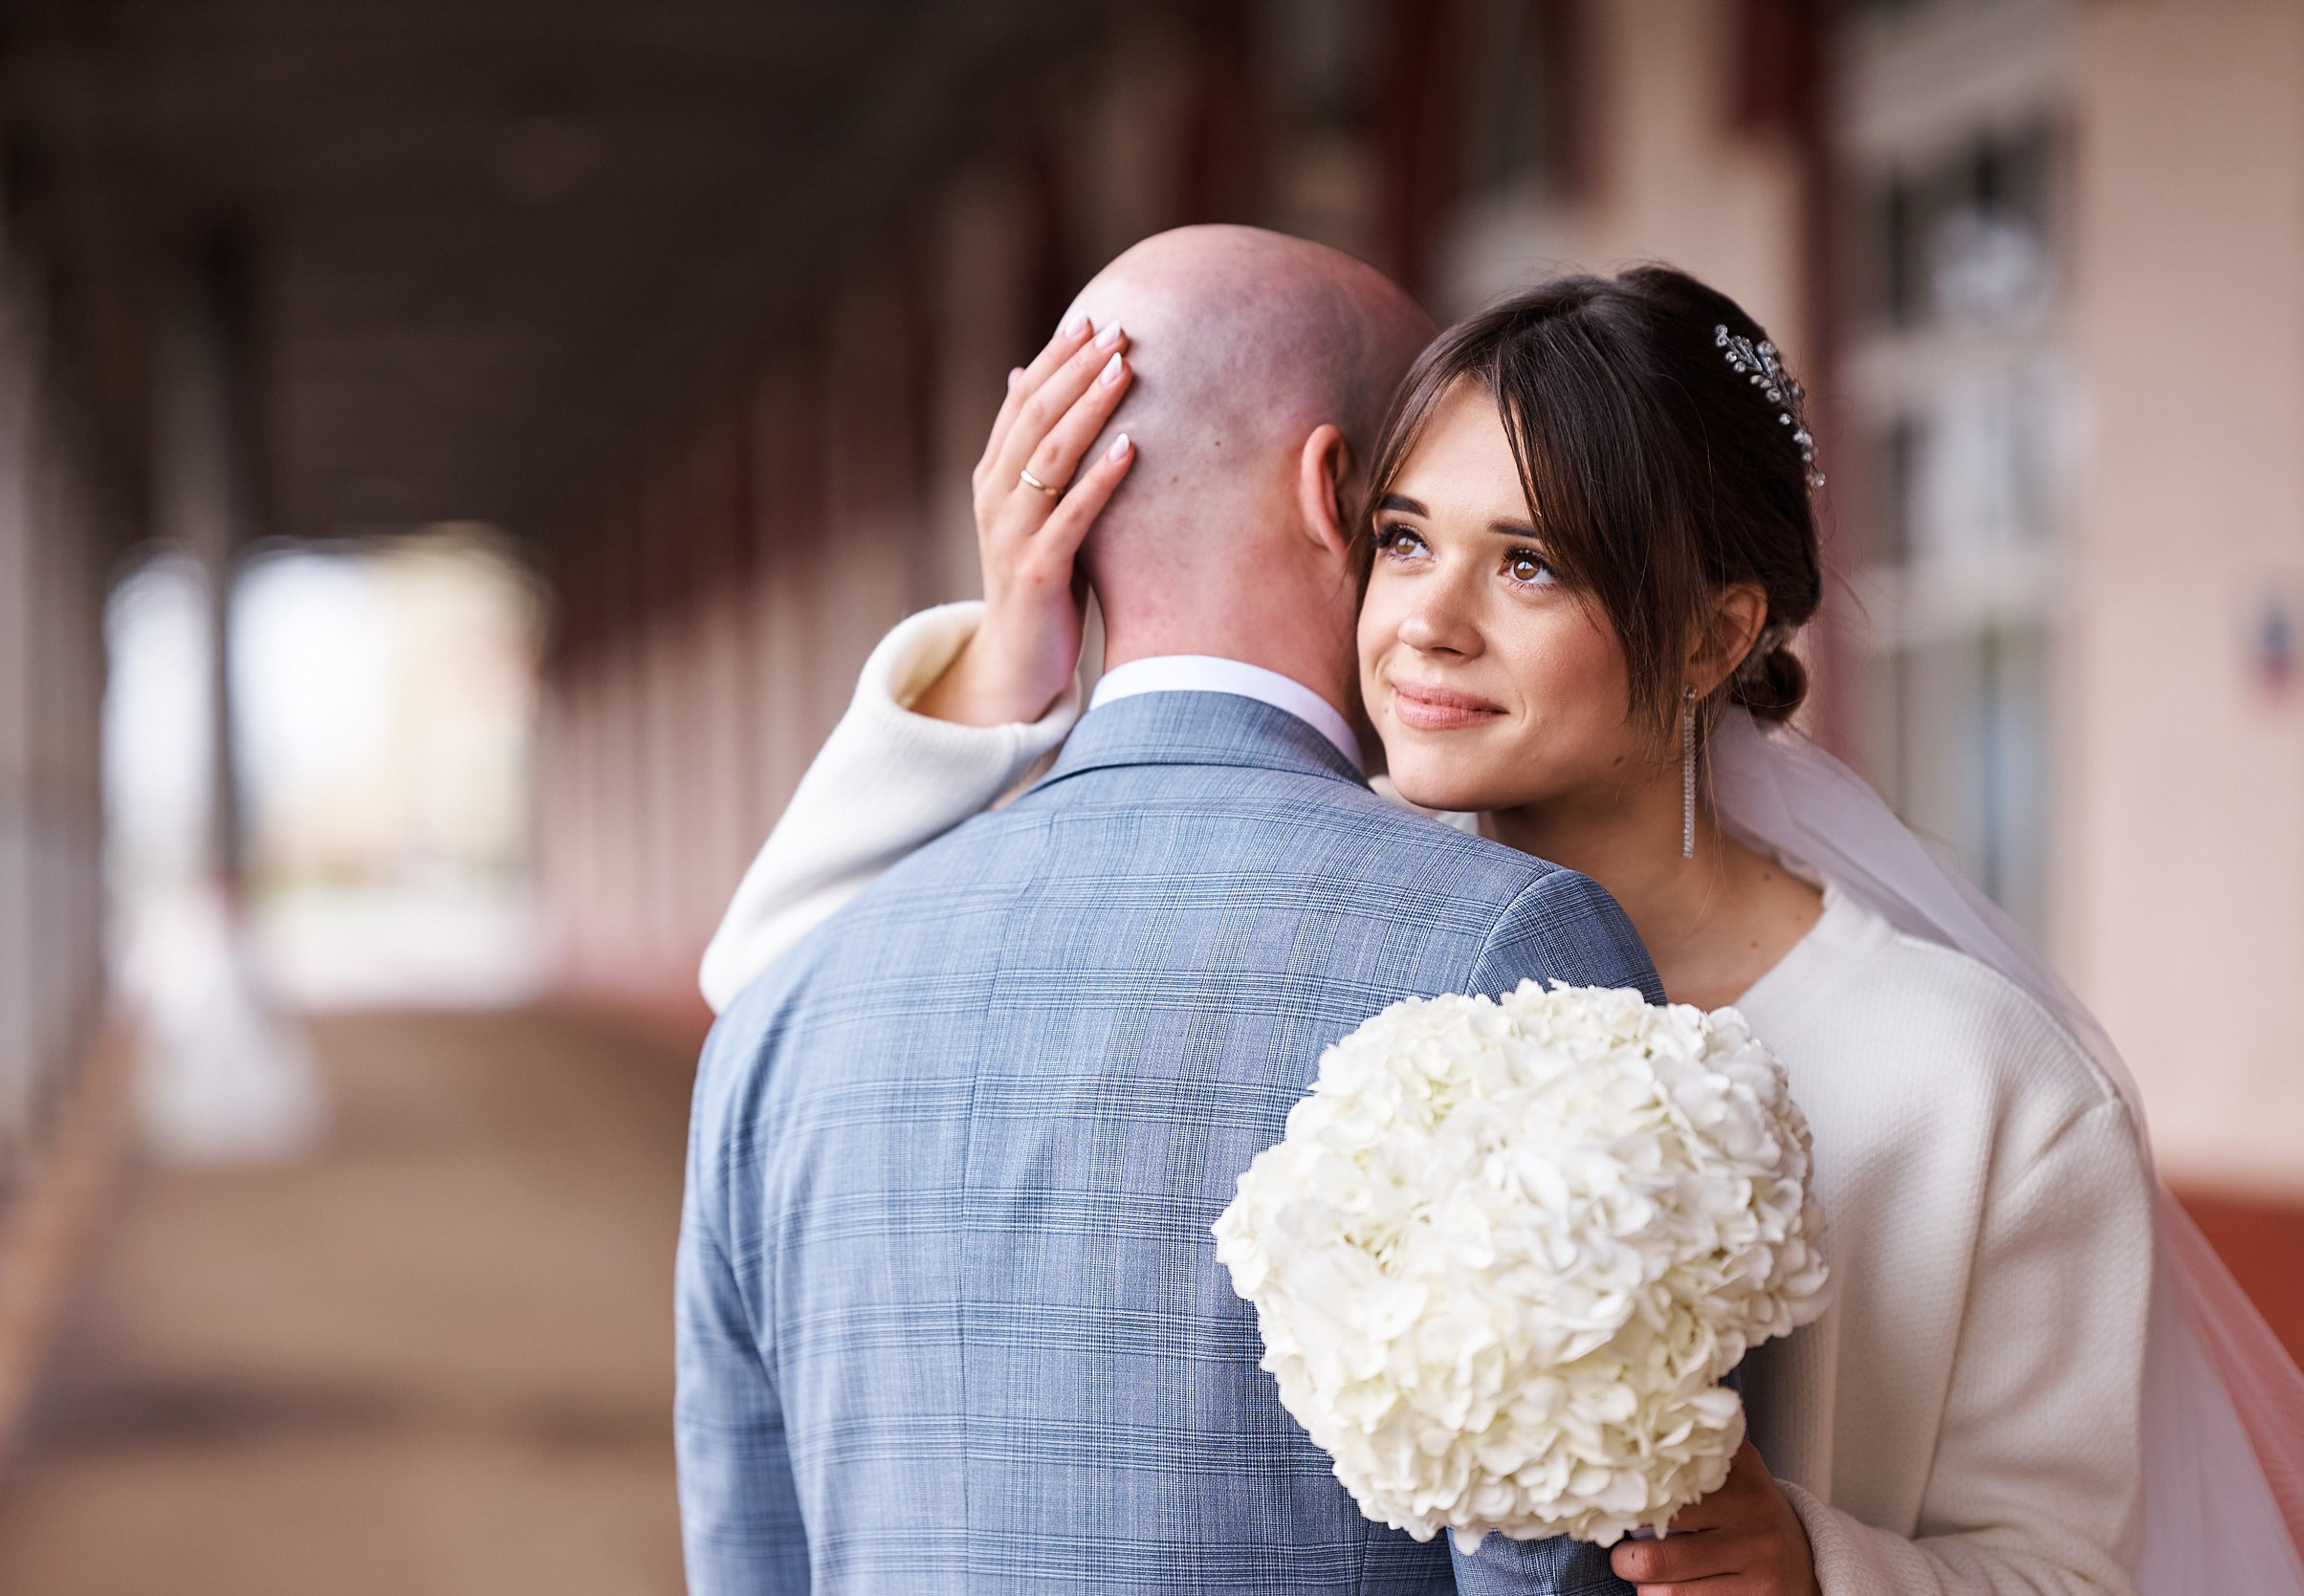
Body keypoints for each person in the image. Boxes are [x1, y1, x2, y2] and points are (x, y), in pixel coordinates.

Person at [707, 257, 2304, 1595]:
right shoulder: (1350, 950)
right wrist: (1009, 661)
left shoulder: (1979, 1086)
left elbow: (2073, 1568)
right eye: (1403, 539)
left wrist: (1820, 1565)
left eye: (1528, 565)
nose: (1427, 622)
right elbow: (785, 983)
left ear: (1714, 634)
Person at [674, 225, 1665, 1595]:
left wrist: (998, 666)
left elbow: (746, 1552)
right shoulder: (1511, 946)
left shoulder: (779, 1011)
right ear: (1336, 494)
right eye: (1407, 521)